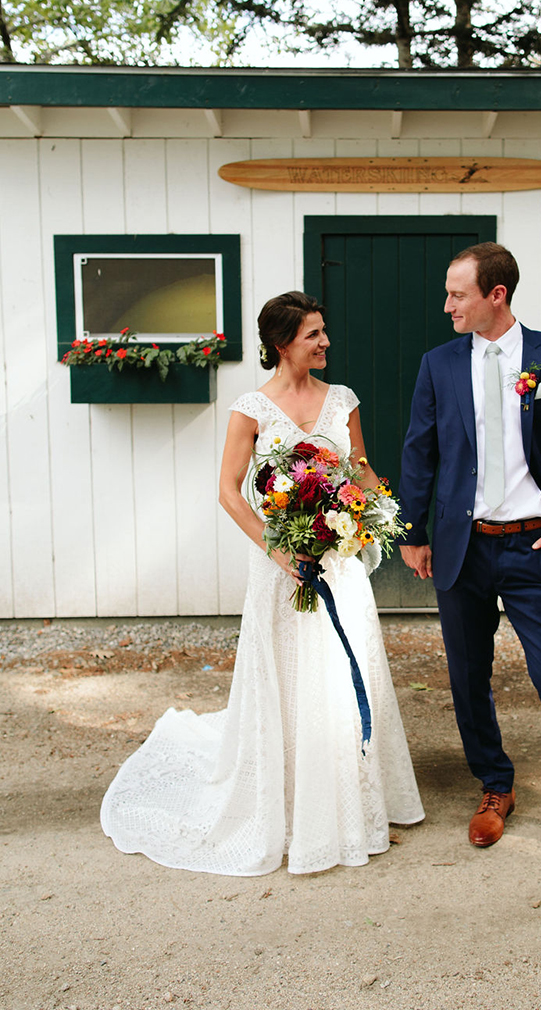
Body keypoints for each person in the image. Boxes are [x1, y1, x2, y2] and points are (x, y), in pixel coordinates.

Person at [101, 291, 424, 876]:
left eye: (323, 331)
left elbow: (359, 469)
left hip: (338, 561)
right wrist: (278, 551)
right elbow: (229, 491)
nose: (325, 342)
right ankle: (288, 799)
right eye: (313, 334)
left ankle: (347, 796)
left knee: (339, 669)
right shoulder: (251, 408)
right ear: (282, 344)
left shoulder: (343, 399)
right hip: (281, 568)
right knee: (288, 673)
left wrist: (387, 520)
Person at [398, 243, 541, 873]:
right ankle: (496, 785)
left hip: (532, 545)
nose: (447, 306)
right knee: (468, 679)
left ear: (496, 295)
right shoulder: (438, 364)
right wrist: (412, 532)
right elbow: (420, 452)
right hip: (462, 547)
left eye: (457, 294)